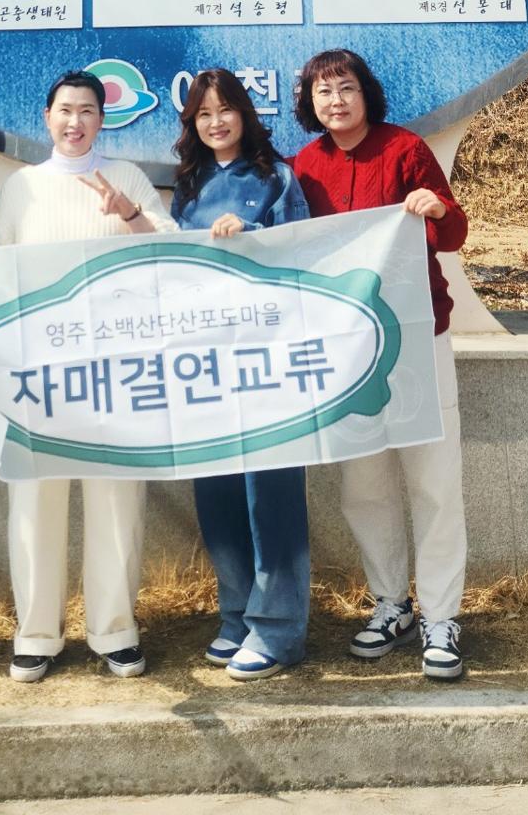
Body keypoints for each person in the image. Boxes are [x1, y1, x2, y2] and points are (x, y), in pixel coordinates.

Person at [0, 69, 173, 683]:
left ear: (102, 118)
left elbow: (172, 249)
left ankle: (115, 630)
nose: (75, 121)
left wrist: (130, 213)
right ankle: (36, 633)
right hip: (40, 370)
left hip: (115, 368)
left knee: (116, 500)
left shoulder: (127, 178)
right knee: (36, 500)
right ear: (47, 117)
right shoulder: (22, 187)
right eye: (65, 110)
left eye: (87, 110)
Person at [292, 48, 469, 682]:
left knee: (434, 481)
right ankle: (392, 602)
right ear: (309, 103)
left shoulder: (404, 150)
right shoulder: (304, 166)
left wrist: (436, 209)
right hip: (346, 351)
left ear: (365, 92)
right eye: (323, 92)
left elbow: (454, 233)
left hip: (418, 337)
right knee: (363, 483)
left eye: (345, 88)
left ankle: (442, 616)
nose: (335, 100)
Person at [171, 68, 311, 680]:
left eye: (225, 109)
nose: (215, 122)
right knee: (217, 490)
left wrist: (252, 236)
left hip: (267, 356)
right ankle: (236, 614)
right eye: (203, 114)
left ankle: (279, 629)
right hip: (207, 359)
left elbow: (302, 254)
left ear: (245, 114)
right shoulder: (189, 183)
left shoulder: (278, 176)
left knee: (270, 494)